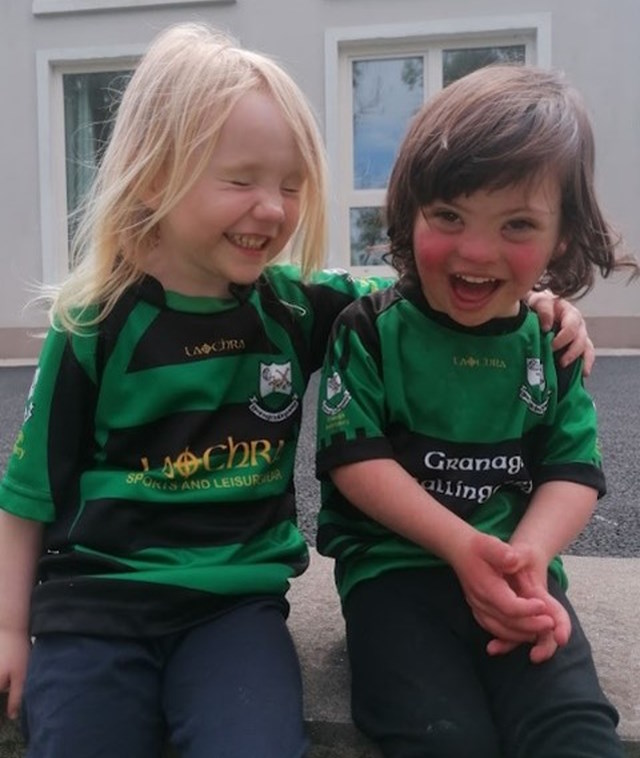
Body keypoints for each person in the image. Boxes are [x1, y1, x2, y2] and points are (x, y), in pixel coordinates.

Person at [0, 22, 592, 758]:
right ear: (154, 174)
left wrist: (529, 300)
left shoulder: (293, 307)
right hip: (91, 610)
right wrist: (6, 628)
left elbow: (428, 288)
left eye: (290, 184)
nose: (274, 209)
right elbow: (27, 493)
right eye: (242, 180)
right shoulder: (91, 326)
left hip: (232, 612)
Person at [315, 64, 638, 758]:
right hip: (393, 574)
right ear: (409, 211)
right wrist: (463, 548)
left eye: (517, 223)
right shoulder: (369, 330)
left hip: (519, 577)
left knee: (576, 729)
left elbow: (572, 469)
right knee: (441, 737)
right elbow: (355, 460)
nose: (476, 250)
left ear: (561, 236)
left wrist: (529, 556)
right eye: (449, 216)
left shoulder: (548, 343)